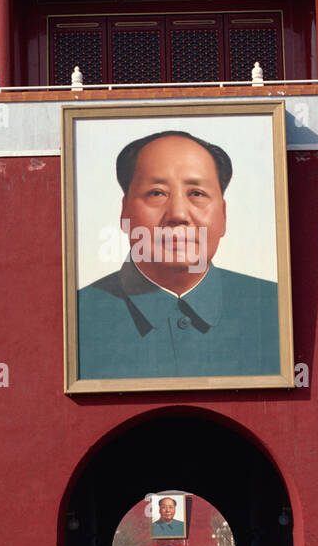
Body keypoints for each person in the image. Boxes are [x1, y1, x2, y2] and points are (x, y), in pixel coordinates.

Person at [76, 131, 281, 380]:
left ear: (224, 215)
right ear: (124, 212)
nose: (178, 214)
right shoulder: (77, 317)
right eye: (157, 193)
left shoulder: (273, 308)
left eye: (196, 194)